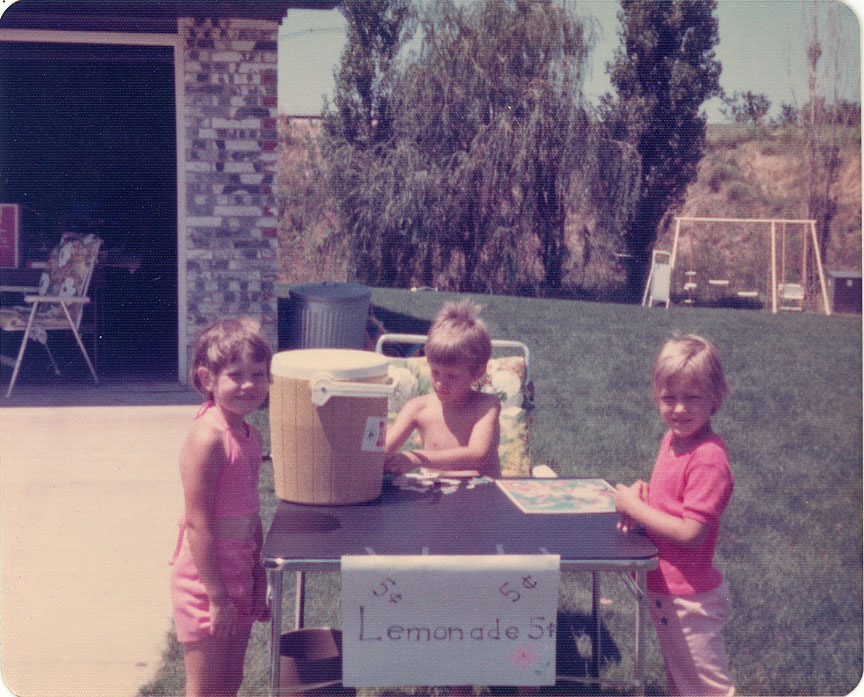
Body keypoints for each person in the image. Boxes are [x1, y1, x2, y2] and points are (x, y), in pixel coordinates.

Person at [614, 335, 735, 696]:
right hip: (666, 588)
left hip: (689, 599)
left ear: (716, 398)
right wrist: (643, 494)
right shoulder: (672, 440)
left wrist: (636, 509)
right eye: (670, 398)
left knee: (708, 689)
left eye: (692, 398)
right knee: (682, 684)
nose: (679, 409)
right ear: (656, 396)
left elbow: (690, 532)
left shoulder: (709, 458)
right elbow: (671, 501)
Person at [169, 317, 273, 697]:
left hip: (240, 570)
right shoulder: (207, 437)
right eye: (235, 374)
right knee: (206, 686)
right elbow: (198, 524)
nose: (248, 384)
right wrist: (217, 598)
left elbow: (251, 511)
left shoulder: (250, 434)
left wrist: (257, 577)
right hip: (205, 579)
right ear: (206, 378)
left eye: (258, 374)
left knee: (231, 681)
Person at [384, 300, 501, 478]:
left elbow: (478, 456)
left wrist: (417, 458)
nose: (440, 383)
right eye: (435, 372)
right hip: (436, 497)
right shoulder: (418, 408)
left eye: (452, 376)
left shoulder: (485, 406)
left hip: (481, 498)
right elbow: (382, 451)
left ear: (478, 372)